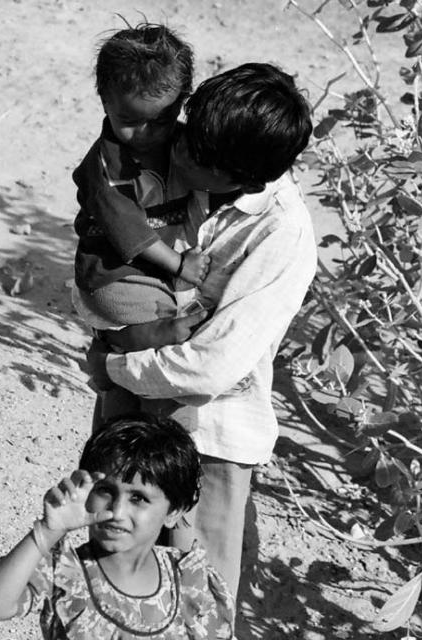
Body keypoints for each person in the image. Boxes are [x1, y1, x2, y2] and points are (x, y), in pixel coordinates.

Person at [86, 62, 317, 601]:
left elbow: (212, 365)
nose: (181, 152)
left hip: (208, 437)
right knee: (112, 584)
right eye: (188, 135)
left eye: (198, 158)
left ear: (244, 180)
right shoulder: (182, 154)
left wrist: (114, 366)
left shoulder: (283, 233)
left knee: (196, 601)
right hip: (134, 405)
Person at [0, 415, 235, 639]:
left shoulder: (192, 582)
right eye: (106, 491)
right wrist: (48, 530)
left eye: (138, 498)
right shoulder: (62, 571)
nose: (116, 511)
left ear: (173, 512)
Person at [73, 20, 211, 336]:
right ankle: (119, 351)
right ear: (105, 101)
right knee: (163, 331)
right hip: (117, 276)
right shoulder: (107, 170)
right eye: (130, 120)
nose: (146, 133)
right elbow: (133, 235)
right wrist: (180, 265)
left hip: (159, 268)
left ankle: (118, 361)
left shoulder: (182, 143)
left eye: (162, 120)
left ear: (182, 101)